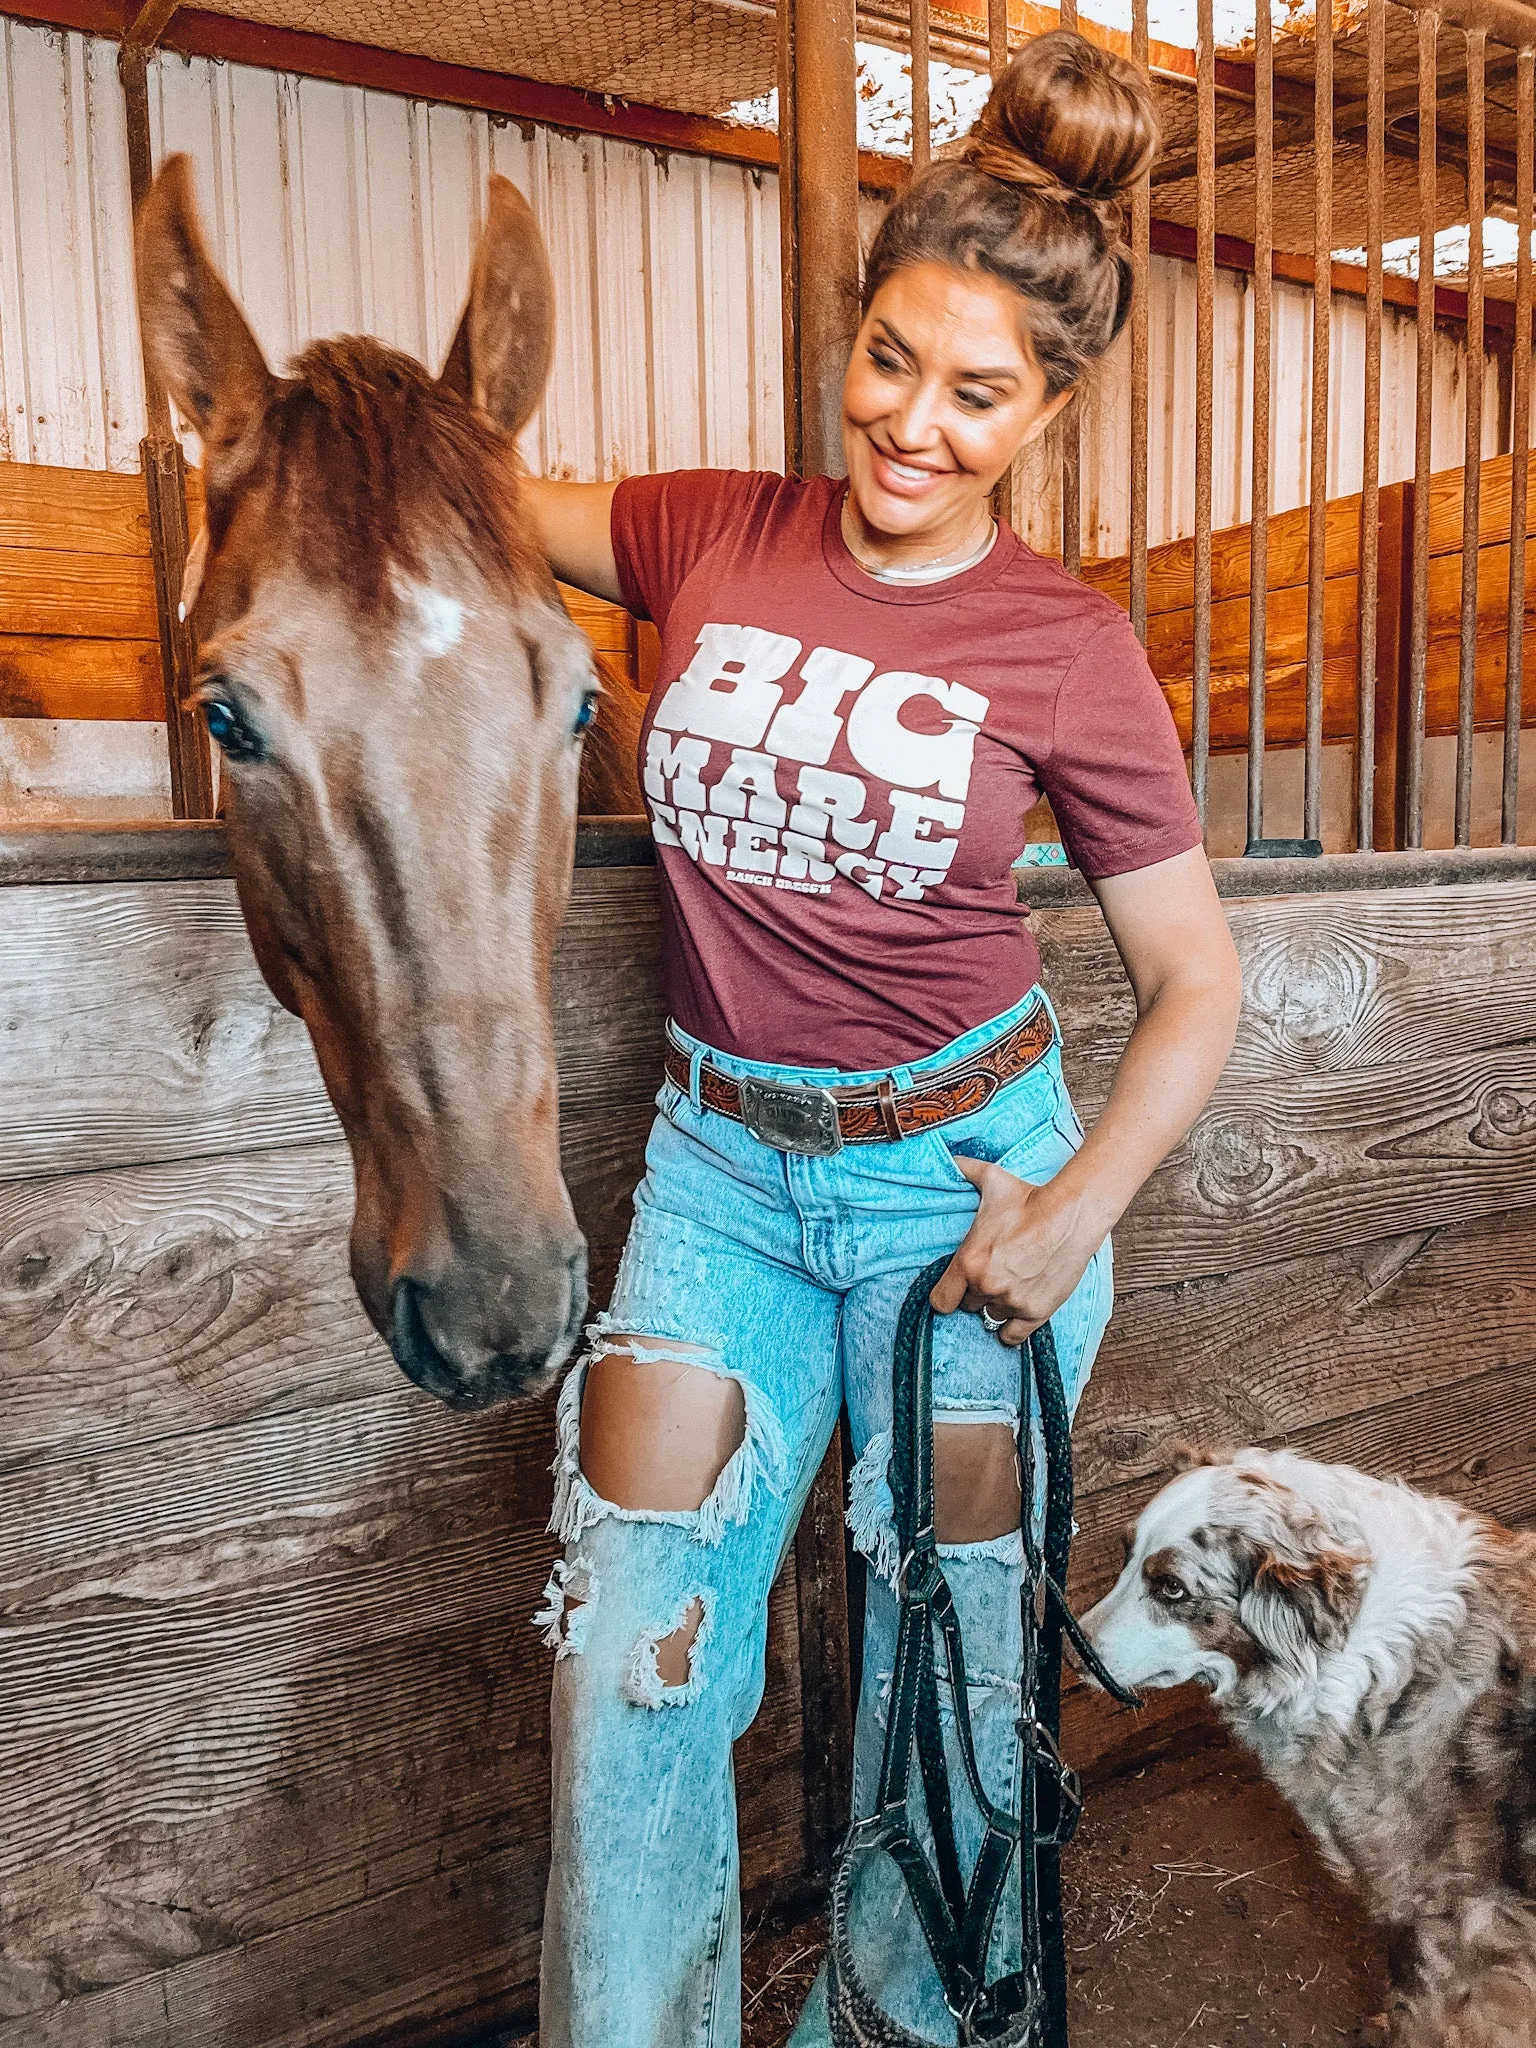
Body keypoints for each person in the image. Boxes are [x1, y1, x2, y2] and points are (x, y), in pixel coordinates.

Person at [522, 29, 1242, 2047]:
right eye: (891, 361)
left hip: (964, 1190)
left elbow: (1200, 983)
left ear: (1050, 408)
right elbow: (469, 498)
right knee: (625, 1647)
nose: (914, 423)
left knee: (952, 1695)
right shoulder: (703, 534)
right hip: (720, 1179)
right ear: (855, 327)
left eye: (979, 393)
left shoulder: (1067, 648)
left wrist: (1078, 1211)